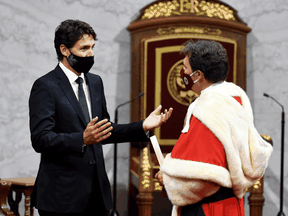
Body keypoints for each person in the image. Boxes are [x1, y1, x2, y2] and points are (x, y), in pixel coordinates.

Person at [29, 19, 173, 216]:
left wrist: (143, 126)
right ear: (64, 50)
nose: (91, 54)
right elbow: (40, 139)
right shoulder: (45, 86)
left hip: (97, 195)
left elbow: (105, 131)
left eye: (93, 47)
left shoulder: (95, 82)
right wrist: (81, 139)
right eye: (84, 48)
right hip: (61, 197)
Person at [155, 40, 273, 216]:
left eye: (185, 68)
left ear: (198, 75)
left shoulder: (207, 109)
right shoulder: (234, 97)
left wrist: (169, 180)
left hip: (209, 209)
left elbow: (206, 176)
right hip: (231, 205)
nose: (183, 73)